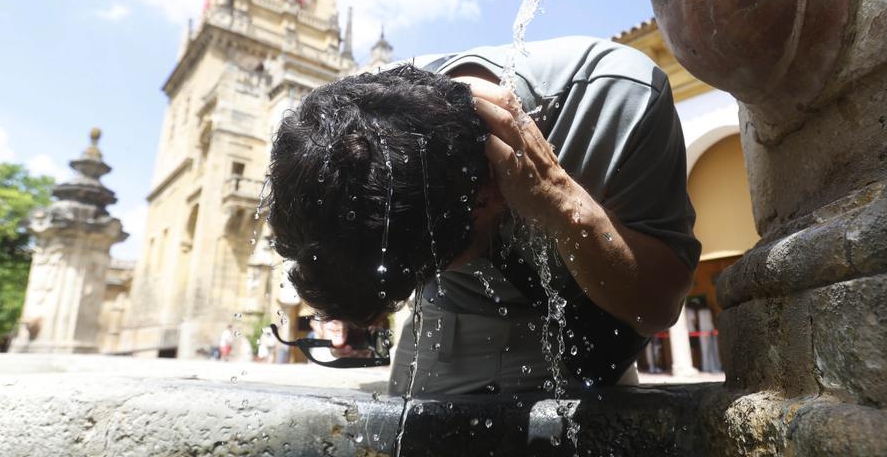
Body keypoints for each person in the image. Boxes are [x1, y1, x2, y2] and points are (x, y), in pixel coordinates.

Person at [268, 36, 700, 394]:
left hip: (590, 348)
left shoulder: (619, 95)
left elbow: (659, 307)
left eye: (439, 264)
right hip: (447, 337)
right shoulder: (368, 142)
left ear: (486, 194)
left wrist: (559, 199)